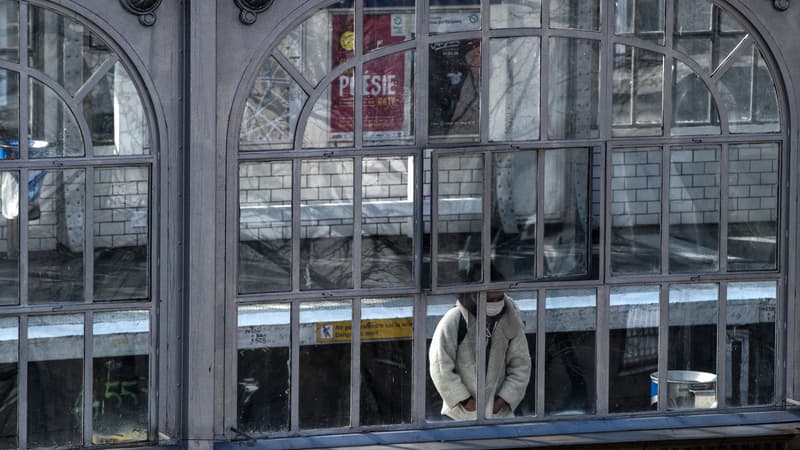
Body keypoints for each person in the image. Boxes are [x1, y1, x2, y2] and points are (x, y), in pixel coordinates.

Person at [429, 290, 531, 420]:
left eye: (499, 299)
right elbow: (439, 365)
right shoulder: (454, 319)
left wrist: (501, 402)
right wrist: (465, 401)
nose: (495, 304)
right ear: (475, 296)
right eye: (490, 300)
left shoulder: (511, 320)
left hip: (499, 416)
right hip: (459, 416)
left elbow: (521, 365)